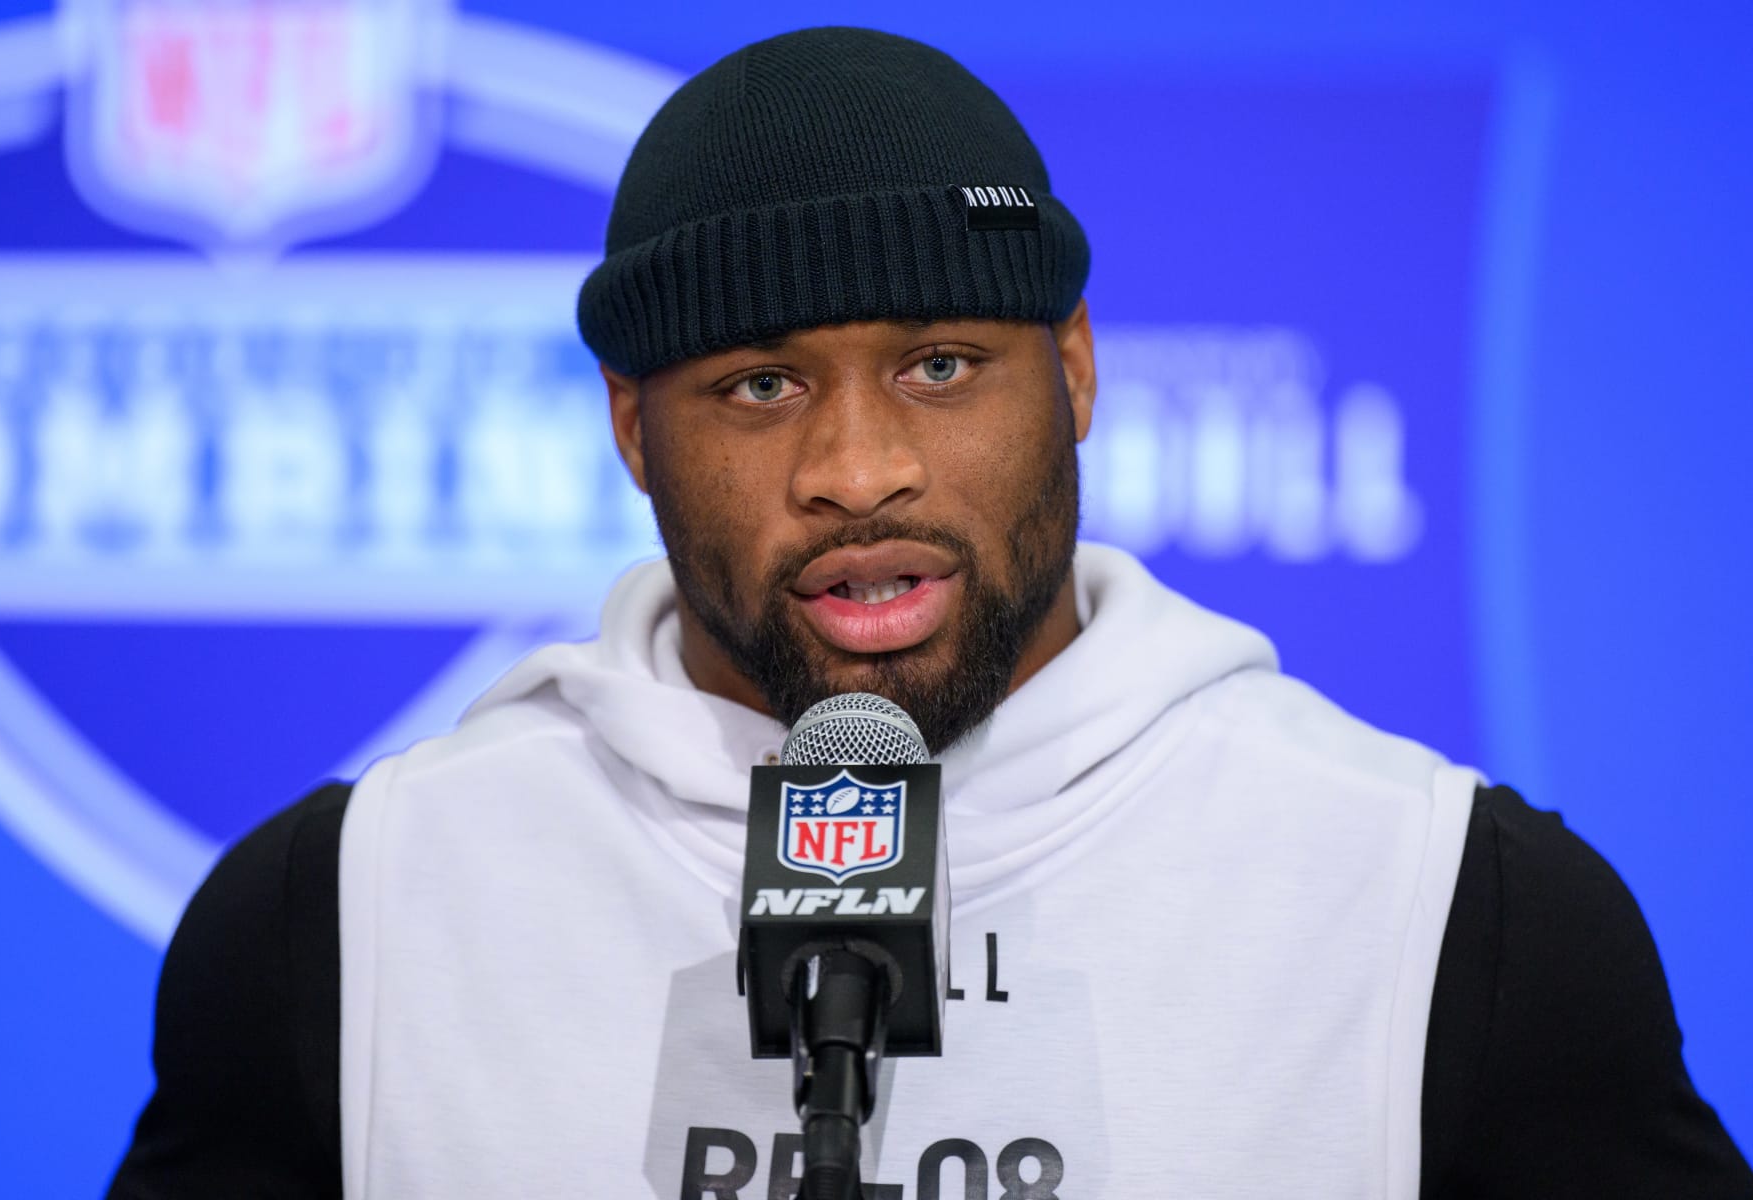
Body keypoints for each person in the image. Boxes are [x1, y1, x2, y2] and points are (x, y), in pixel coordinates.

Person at [108, 26, 1752, 1199]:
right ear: (631, 430)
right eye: (760, 385)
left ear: (1077, 369)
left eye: (942, 365)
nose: (857, 471)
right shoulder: (349, 915)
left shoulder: (1446, 907)